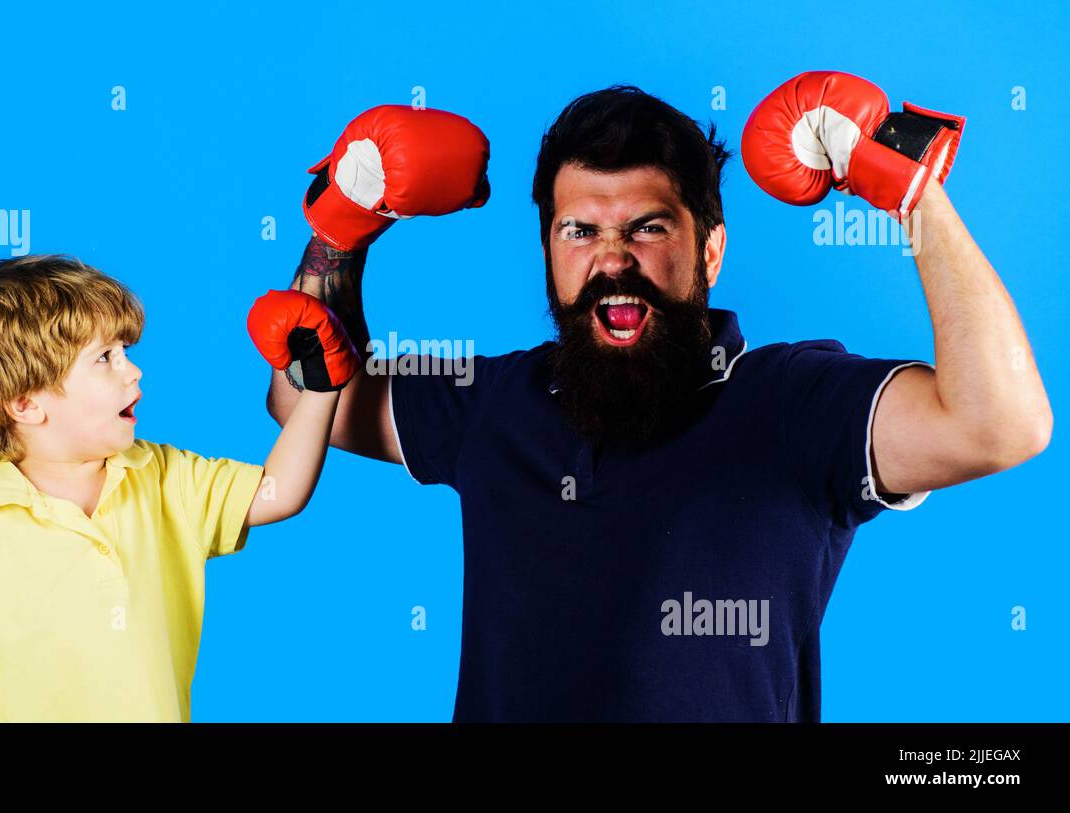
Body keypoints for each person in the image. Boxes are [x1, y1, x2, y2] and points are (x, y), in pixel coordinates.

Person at [266, 78, 1053, 722]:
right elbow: (306, 401)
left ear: (709, 248)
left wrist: (912, 191)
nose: (612, 261)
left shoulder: (794, 402)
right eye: (579, 231)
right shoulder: (494, 401)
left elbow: (1002, 423)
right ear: (547, 251)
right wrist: (338, 233)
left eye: (646, 228)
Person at [0, 254, 359, 722]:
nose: (133, 372)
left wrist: (320, 385)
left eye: (128, 353)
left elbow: (278, 492)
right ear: (26, 403)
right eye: (105, 358)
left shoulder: (160, 476)